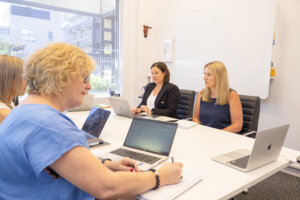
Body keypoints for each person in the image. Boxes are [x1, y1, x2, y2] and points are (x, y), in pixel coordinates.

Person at [0, 43, 183, 200]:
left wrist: (106, 164)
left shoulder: (24, 112)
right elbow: (107, 187)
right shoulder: (48, 124)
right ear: (60, 77)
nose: (89, 86)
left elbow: (59, 162)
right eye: (85, 78)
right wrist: (159, 176)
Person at [192, 61, 243, 133]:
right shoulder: (201, 94)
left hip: (223, 137)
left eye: (209, 75)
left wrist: (216, 135)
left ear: (219, 77)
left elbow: (237, 126)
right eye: (204, 74)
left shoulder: (232, 95)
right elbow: (195, 118)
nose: (204, 78)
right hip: (203, 135)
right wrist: (201, 131)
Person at [0, 55, 27, 124]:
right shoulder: (4, 114)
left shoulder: (8, 102)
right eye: (24, 76)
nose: (27, 82)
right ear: (9, 79)